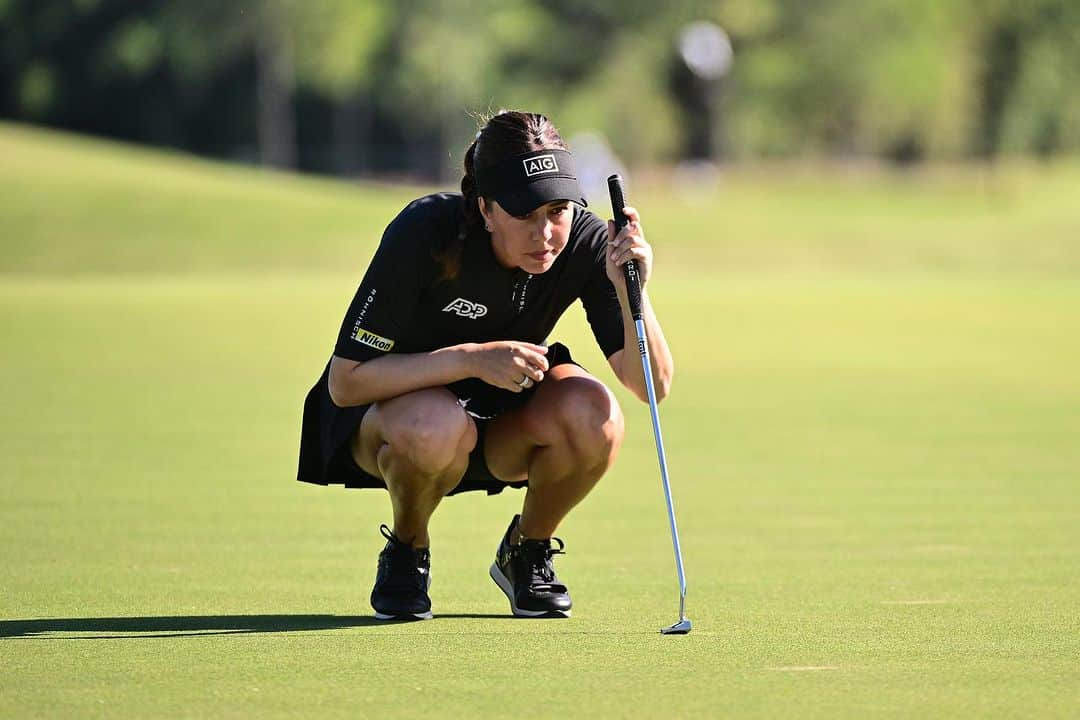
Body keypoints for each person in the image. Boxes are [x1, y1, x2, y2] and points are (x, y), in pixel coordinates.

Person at [297, 110, 673, 620]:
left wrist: (635, 291)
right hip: (396, 422)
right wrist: (474, 360)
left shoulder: (584, 241)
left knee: (595, 414)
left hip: (503, 426)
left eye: (558, 210)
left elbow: (652, 385)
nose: (545, 232)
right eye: (525, 214)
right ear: (486, 208)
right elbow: (346, 383)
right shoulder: (425, 231)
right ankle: (407, 551)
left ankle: (527, 551)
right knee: (433, 424)